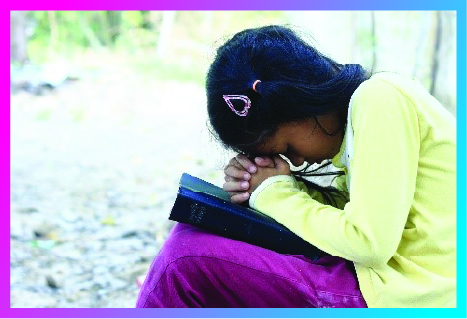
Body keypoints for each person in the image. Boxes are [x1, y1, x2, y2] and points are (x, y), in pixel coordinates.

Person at [136, 25, 456, 308]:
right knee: (192, 232)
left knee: (185, 260)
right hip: (387, 283)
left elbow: (370, 242)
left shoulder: (380, 98)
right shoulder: (362, 122)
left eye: (287, 149)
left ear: (300, 102)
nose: (296, 161)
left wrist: (274, 194)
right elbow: (367, 217)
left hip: (410, 295)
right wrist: (264, 189)